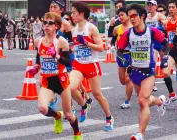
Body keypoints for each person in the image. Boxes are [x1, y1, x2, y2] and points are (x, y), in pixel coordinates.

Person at [27, 12, 82, 140]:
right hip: (47, 81)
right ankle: (57, 116)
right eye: (44, 22)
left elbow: (69, 62)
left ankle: (77, 133)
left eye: (50, 23)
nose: (46, 25)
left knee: (69, 114)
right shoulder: (38, 41)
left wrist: (56, 56)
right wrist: (36, 68)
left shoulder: (61, 42)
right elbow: (39, 58)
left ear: (56, 26)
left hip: (61, 81)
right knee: (43, 109)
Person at [117, 4, 167, 139]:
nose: (131, 19)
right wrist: (125, 60)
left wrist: (165, 57)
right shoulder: (128, 34)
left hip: (149, 72)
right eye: (130, 16)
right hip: (135, 72)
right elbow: (119, 51)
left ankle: (140, 134)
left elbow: (165, 44)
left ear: (142, 16)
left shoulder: (152, 31)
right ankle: (160, 102)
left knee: (142, 101)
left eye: (134, 16)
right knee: (145, 100)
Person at [71, 1, 114, 131]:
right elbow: (76, 47)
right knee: (71, 88)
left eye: (74, 13)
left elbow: (101, 47)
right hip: (78, 64)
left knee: (97, 94)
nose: (72, 15)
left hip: (91, 64)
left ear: (82, 14)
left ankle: (109, 118)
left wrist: (87, 43)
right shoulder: (74, 30)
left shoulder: (91, 28)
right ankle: (84, 105)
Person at [111, 7, 133, 109]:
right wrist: (112, 46)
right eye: (119, 16)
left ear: (128, 15)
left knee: (128, 79)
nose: (120, 17)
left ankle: (127, 101)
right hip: (120, 55)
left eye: (122, 15)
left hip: (131, 55)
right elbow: (113, 39)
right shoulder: (117, 28)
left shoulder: (134, 27)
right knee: (122, 80)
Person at [146, 0, 167, 92]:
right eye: (148, 5)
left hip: (159, 40)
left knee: (164, 60)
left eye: (152, 5)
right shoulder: (146, 17)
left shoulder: (159, 15)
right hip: (151, 42)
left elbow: (166, 25)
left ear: (156, 6)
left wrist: (159, 28)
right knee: (152, 62)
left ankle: (166, 75)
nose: (150, 7)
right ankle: (152, 84)